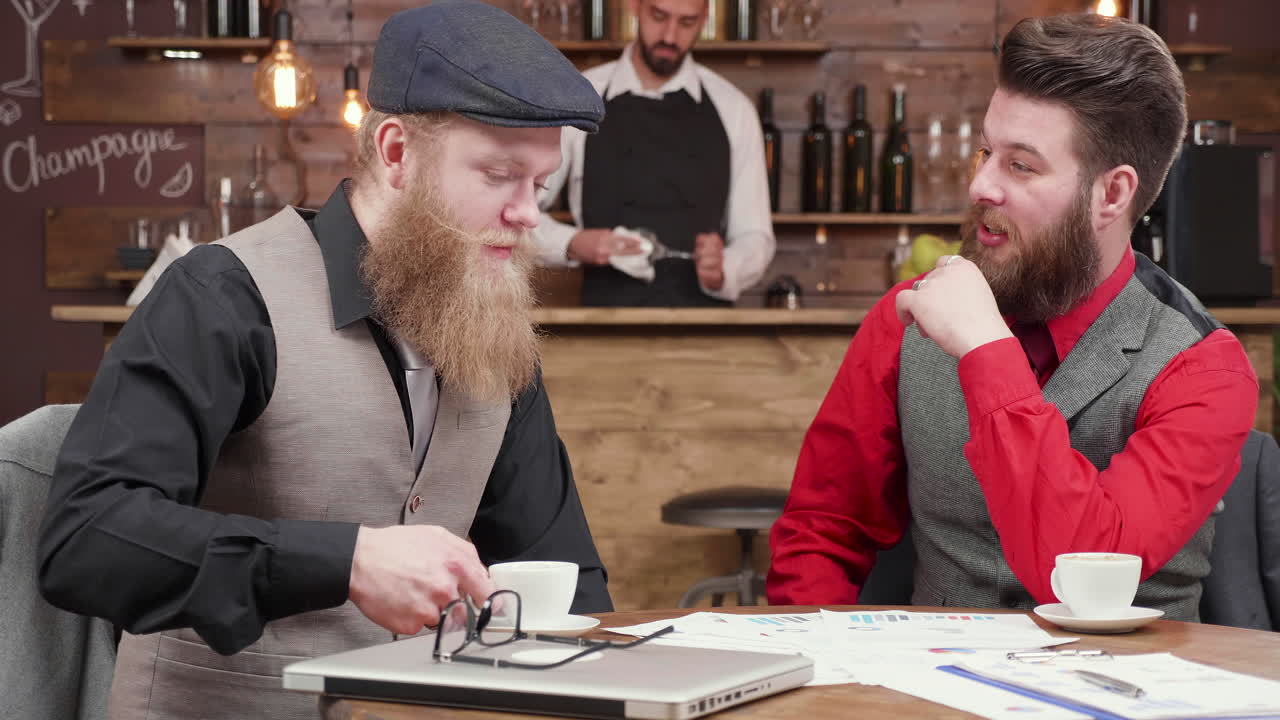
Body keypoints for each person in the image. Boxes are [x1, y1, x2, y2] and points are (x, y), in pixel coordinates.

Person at [37, 2, 611, 717]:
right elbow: (85, 538)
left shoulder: (492, 326)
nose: (529, 214)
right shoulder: (226, 295)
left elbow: (571, 583)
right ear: (398, 153)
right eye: (500, 175)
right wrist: (345, 561)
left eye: (541, 186)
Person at [767, 14, 1258, 621]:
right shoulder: (905, 320)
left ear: (1112, 195)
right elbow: (824, 530)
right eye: (985, 152)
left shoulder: (1204, 369)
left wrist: (985, 353)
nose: (981, 186)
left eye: (1020, 165)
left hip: (1126, 700)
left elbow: (1083, 575)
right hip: (932, 699)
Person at [534, 0, 775, 307]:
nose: (670, 37)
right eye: (659, 16)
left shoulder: (734, 109)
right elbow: (520, 215)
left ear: (705, 18)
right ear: (634, 6)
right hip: (601, 327)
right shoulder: (579, 97)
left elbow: (755, 236)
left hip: (709, 334)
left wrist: (725, 268)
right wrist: (571, 243)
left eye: (687, 23)